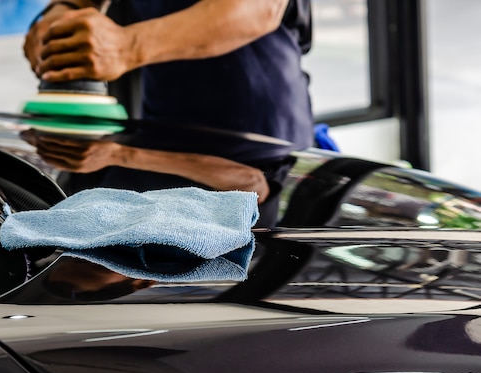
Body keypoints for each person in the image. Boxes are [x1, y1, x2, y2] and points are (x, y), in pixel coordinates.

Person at [23, 0, 313, 226]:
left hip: (258, 142)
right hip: (160, 132)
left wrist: (127, 46)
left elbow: (260, 8)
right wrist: (61, 14)